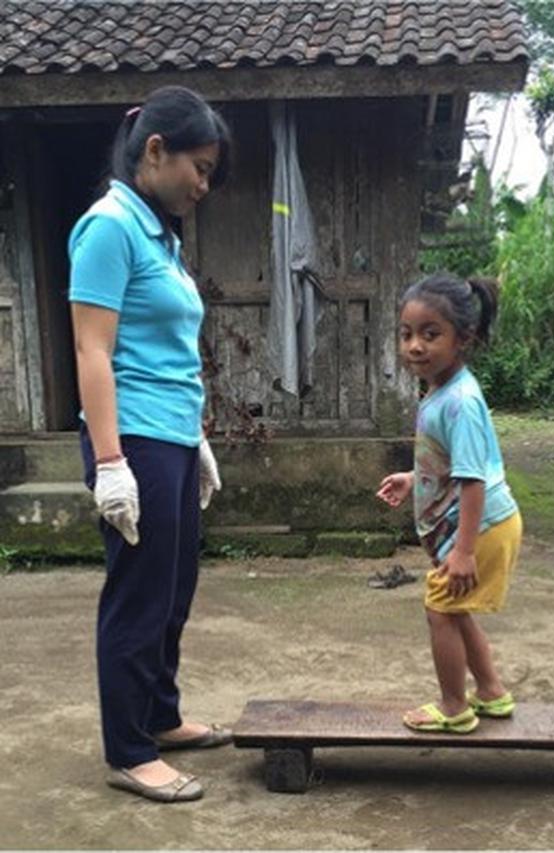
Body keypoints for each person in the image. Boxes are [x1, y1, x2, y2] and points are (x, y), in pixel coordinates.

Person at [69, 86, 232, 801]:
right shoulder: (107, 226)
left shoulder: (158, 233)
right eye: (198, 168)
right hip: (130, 436)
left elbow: (165, 345)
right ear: (155, 150)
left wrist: (193, 437)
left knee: (173, 590)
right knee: (137, 596)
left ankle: (160, 716)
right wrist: (110, 462)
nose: (203, 185)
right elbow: (92, 350)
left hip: (168, 434)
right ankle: (130, 748)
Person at [376, 273, 522, 733]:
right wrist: (412, 478)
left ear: (464, 339)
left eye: (430, 334)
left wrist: (462, 551)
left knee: (440, 610)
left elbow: (473, 479)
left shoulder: (460, 401)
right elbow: (450, 463)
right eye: (406, 334)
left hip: (480, 528)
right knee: (455, 609)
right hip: (479, 525)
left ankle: (454, 706)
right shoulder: (442, 390)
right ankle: (492, 693)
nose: (414, 346)